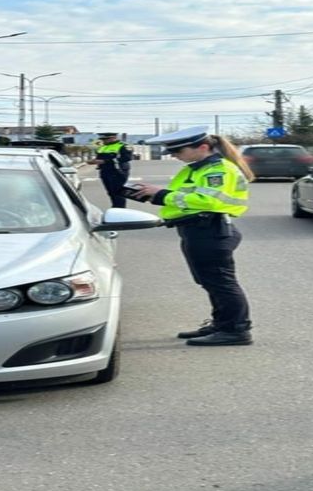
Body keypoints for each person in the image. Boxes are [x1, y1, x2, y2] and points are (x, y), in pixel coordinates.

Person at [127, 126, 254, 346]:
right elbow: (185, 198)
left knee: (221, 282)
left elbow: (210, 201)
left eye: (178, 151)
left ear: (202, 147)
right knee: (209, 281)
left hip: (210, 230)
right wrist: (154, 196)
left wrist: (162, 194)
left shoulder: (217, 170)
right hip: (195, 229)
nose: (174, 155)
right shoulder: (193, 168)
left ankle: (236, 330)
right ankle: (221, 324)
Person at [89, 132, 134, 208]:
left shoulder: (123, 146)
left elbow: (127, 158)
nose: (104, 141)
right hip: (105, 171)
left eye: (106, 139)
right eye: (102, 139)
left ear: (113, 138)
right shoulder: (103, 147)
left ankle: (120, 210)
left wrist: (104, 161)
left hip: (118, 172)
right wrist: (94, 161)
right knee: (110, 192)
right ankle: (115, 207)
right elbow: (100, 157)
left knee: (118, 192)